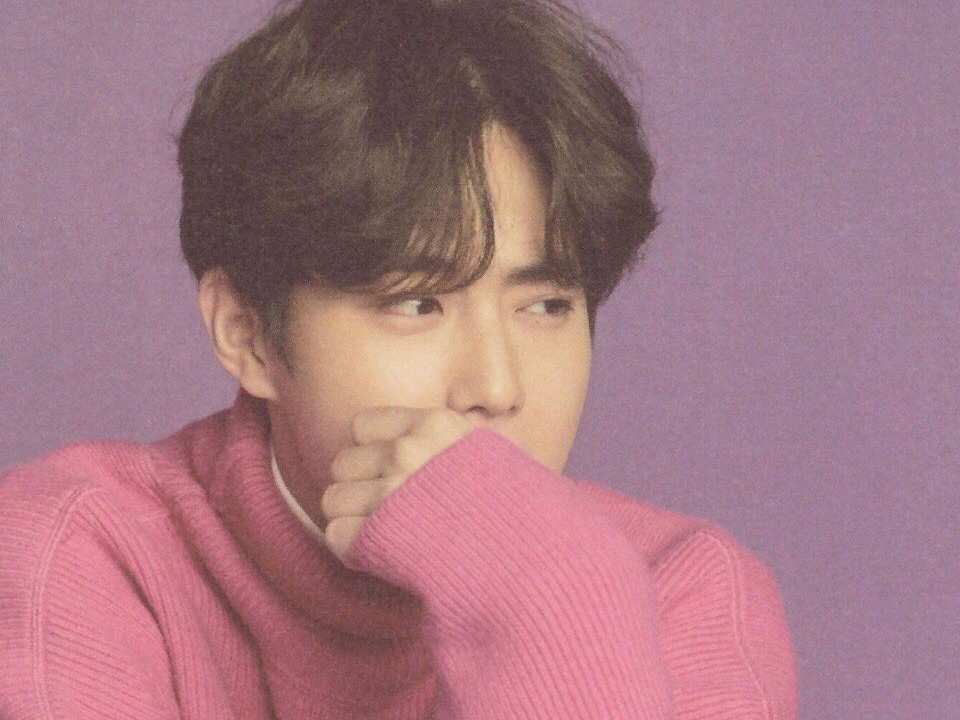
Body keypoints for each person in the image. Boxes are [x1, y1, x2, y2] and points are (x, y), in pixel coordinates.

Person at [0, 0, 798, 717]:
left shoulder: (683, 591)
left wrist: (553, 594)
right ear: (247, 334)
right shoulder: (76, 555)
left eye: (546, 306)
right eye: (418, 304)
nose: (496, 386)